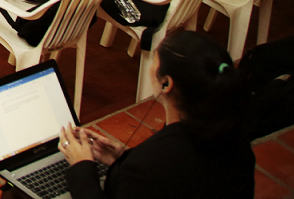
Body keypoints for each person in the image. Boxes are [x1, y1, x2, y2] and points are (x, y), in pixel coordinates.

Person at [59, 31, 254, 199]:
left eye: (154, 59)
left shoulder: (147, 166)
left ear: (167, 84)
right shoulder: (235, 137)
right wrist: (122, 159)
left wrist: (81, 167)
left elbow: (159, 173)